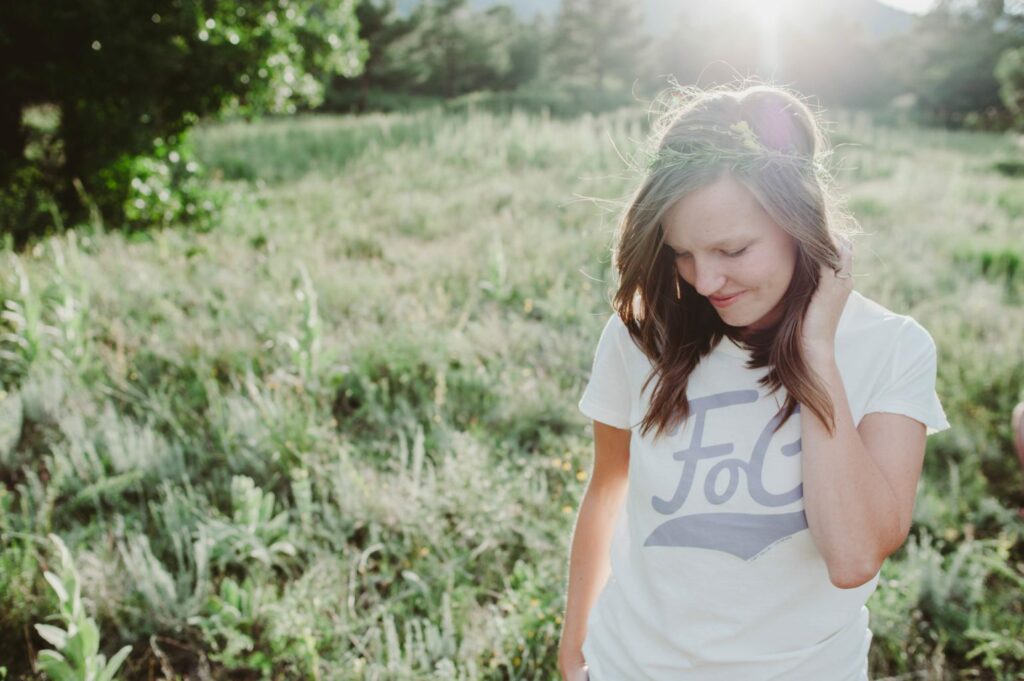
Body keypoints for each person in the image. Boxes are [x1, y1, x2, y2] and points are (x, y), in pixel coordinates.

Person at [558, 81, 951, 681]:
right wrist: (574, 649)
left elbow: (852, 556)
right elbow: (608, 488)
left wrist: (815, 350)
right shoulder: (641, 336)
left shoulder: (892, 348)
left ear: (801, 225)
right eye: (682, 254)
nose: (705, 280)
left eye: (733, 249)